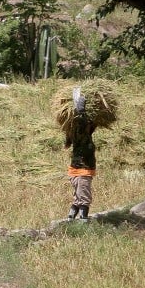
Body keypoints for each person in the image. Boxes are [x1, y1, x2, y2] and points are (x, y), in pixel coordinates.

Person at [65, 88, 97, 221]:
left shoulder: (80, 135)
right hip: (82, 171)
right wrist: (81, 109)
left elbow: (87, 124)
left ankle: (71, 217)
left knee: (78, 196)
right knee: (84, 197)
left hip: (76, 171)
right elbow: (82, 122)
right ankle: (83, 220)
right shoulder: (81, 135)